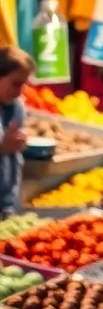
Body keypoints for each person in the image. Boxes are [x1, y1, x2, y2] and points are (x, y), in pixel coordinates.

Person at [0, 48, 31, 216]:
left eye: (24, 84)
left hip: (7, 204)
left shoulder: (16, 106)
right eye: (16, 83)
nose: (20, 91)